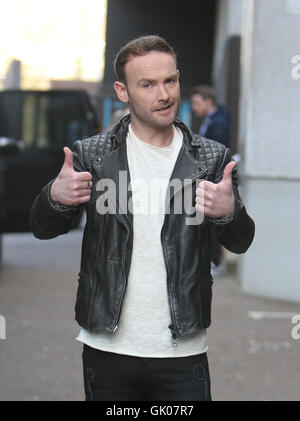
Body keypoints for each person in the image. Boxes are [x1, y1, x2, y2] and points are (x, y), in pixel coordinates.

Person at [30, 35, 255, 401]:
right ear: (122, 90)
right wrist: (55, 197)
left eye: (170, 80)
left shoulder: (212, 158)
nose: (163, 94)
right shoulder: (93, 155)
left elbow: (240, 241)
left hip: (183, 350)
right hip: (108, 347)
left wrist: (229, 212)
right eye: (147, 84)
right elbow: (44, 228)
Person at [191, 86, 231, 275]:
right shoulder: (211, 120)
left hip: (213, 178)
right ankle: (212, 260)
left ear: (209, 101)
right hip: (208, 177)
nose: (194, 107)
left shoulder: (219, 123)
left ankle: (214, 261)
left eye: (197, 103)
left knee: (212, 220)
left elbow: (217, 152)